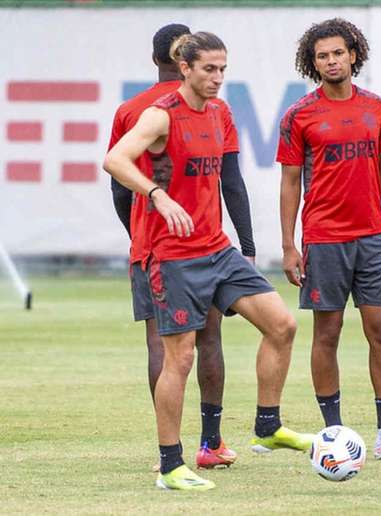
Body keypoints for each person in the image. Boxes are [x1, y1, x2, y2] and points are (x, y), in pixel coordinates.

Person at [104, 31, 312, 491]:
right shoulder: (161, 116)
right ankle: (171, 465)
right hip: (173, 256)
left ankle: (268, 426)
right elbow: (116, 160)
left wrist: (245, 243)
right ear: (185, 68)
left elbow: (228, 179)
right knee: (178, 358)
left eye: (222, 69)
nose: (217, 78)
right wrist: (156, 195)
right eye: (208, 69)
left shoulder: (220, 113)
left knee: (282, 324)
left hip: (217, 249)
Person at [109, 23, 254, 471]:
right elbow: (231, 179)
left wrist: (138, 237)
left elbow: (118, 188)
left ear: (156, 60)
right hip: (205, 244)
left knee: (163, 346)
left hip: (152, 248)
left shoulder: (131, 110)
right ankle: (210, 442)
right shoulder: (213, 108)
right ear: (185, 60)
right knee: (209, 340)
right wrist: (246, 244)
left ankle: (166, 451)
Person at [277, 18, 381, 460]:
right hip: (324, 239)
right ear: (312, 63)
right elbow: (289, 182)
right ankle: (334, 432)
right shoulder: (299, 115)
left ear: (353, 54)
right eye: (322, 55)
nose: (331, 61)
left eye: (338, 52)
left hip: (373, 238)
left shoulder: (377, 107)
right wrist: (289, 244)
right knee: (329, 332)